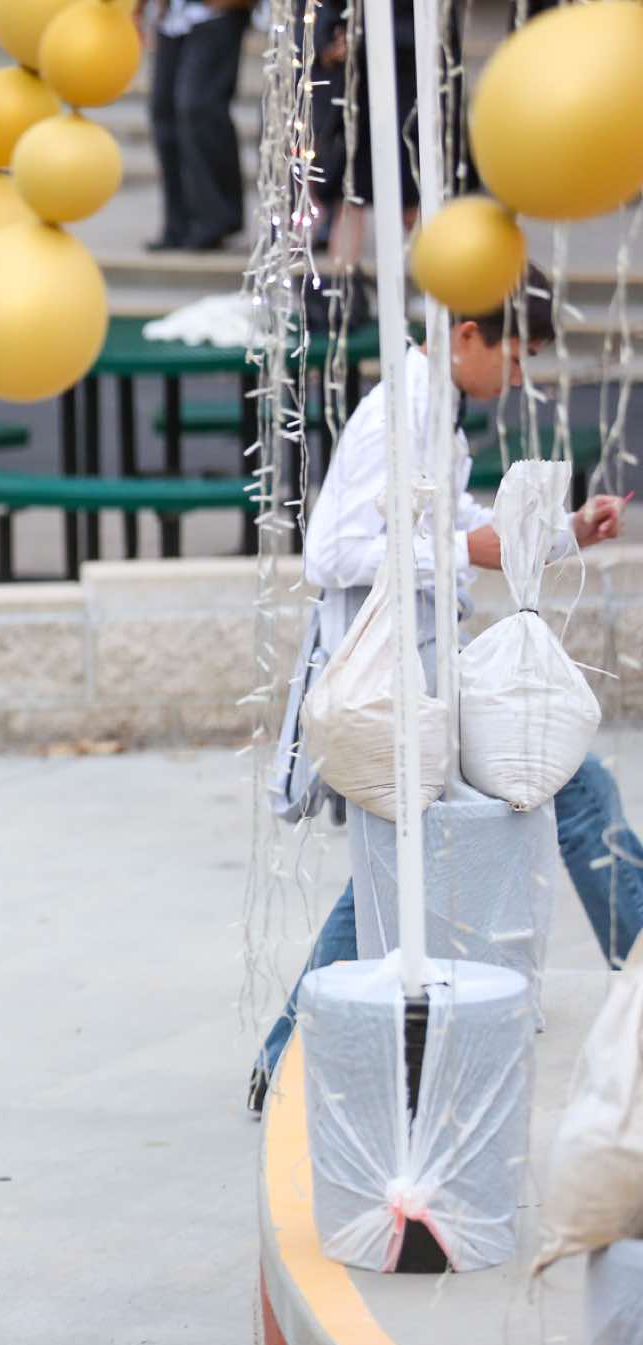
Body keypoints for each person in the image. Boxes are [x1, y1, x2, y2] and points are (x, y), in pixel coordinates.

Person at [254, 269, 638, 1114]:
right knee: (554, 795)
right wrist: (469, 553)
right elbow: (333, 550)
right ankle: (287, 1052)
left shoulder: (433, 406)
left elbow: (451, 522)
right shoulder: (401, 409)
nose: (520, 376)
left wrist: (564, 531)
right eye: (517, 355)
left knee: (401, 862)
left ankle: (286, 1053)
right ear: (467, 335)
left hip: (423, 674)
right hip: (393, 680)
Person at [143, 0, 252, 251]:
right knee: (164, 114)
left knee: (198, 107)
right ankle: (178, 224)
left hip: (216, 13)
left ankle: (215, 218)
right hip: (173, 18)